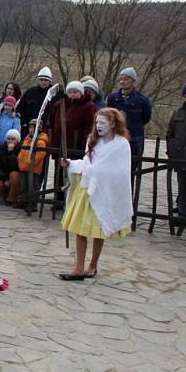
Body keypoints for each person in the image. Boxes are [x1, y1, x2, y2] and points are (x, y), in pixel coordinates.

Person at [59, 108, 133, 280]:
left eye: (103, 122)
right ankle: (79, 268)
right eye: (97, 122)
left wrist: (98, 172)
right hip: (87, 189)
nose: (98, 126)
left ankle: (93, 265)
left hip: (104, 191)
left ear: (113, 123)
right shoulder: (93, 141)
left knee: (98, 230)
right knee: (80, 229)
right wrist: (70, 163)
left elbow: (119, 171)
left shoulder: (121, 144)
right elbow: (87, 163)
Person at [46, 80, 97, 206]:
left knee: (74, 173)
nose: (72, 94)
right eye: (70, 92)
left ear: (81, 93)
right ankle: (58, 200)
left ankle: (73, 201)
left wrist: (86, 143)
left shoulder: (89, 106)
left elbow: (90, 126)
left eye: (75, 92)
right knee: (59, 172)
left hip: (77, 145)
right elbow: (50, 121)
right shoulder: (60, 105)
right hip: (60, 144)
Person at [107, 67, 152, 159]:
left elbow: (145, 118)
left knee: (132, 168)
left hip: (134, 140)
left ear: (133, 81)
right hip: (116, 138)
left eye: (126, 79)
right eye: (121, 79)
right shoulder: (112, 98)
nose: (122, 82)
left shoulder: (142, 101)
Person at [17, 118, 49, 210]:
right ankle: (23, 201)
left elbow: (40, 154)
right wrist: (19, 158)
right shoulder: (27, 139)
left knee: (33, 186)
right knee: (24, 185)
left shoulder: (41, 141)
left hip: (34, 168)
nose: (31, 129)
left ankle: (33, 204)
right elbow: (22, 151)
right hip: (24, 167)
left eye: (33, 128)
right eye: (30, 127)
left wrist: (31, 162)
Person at [167, 85, 186, 217]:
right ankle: (182, 213)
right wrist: (172, 150)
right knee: (183, 186)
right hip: (181, 156)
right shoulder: (178, 113)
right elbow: (170, 134)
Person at [18, 67, 55, 138]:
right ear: (38, 80)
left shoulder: (54, 94)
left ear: (49, 81)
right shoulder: (30, 92)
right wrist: (24, 123)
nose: (43, 82)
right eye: (41, 80)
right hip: (28, 130)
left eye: (46, 80)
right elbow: (19, 109)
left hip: (46, 130)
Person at [0, 129, 22, 205]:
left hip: (16, 177)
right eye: (8, 139)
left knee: (14, 175)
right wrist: (5, 179)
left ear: (18, 140)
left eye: (13, 139)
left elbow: (16, 167)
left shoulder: (21, 149)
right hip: (4, 176)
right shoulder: (2, 149)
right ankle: (6, 196)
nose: (10, 141)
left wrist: (11, 153)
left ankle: (12, 198)